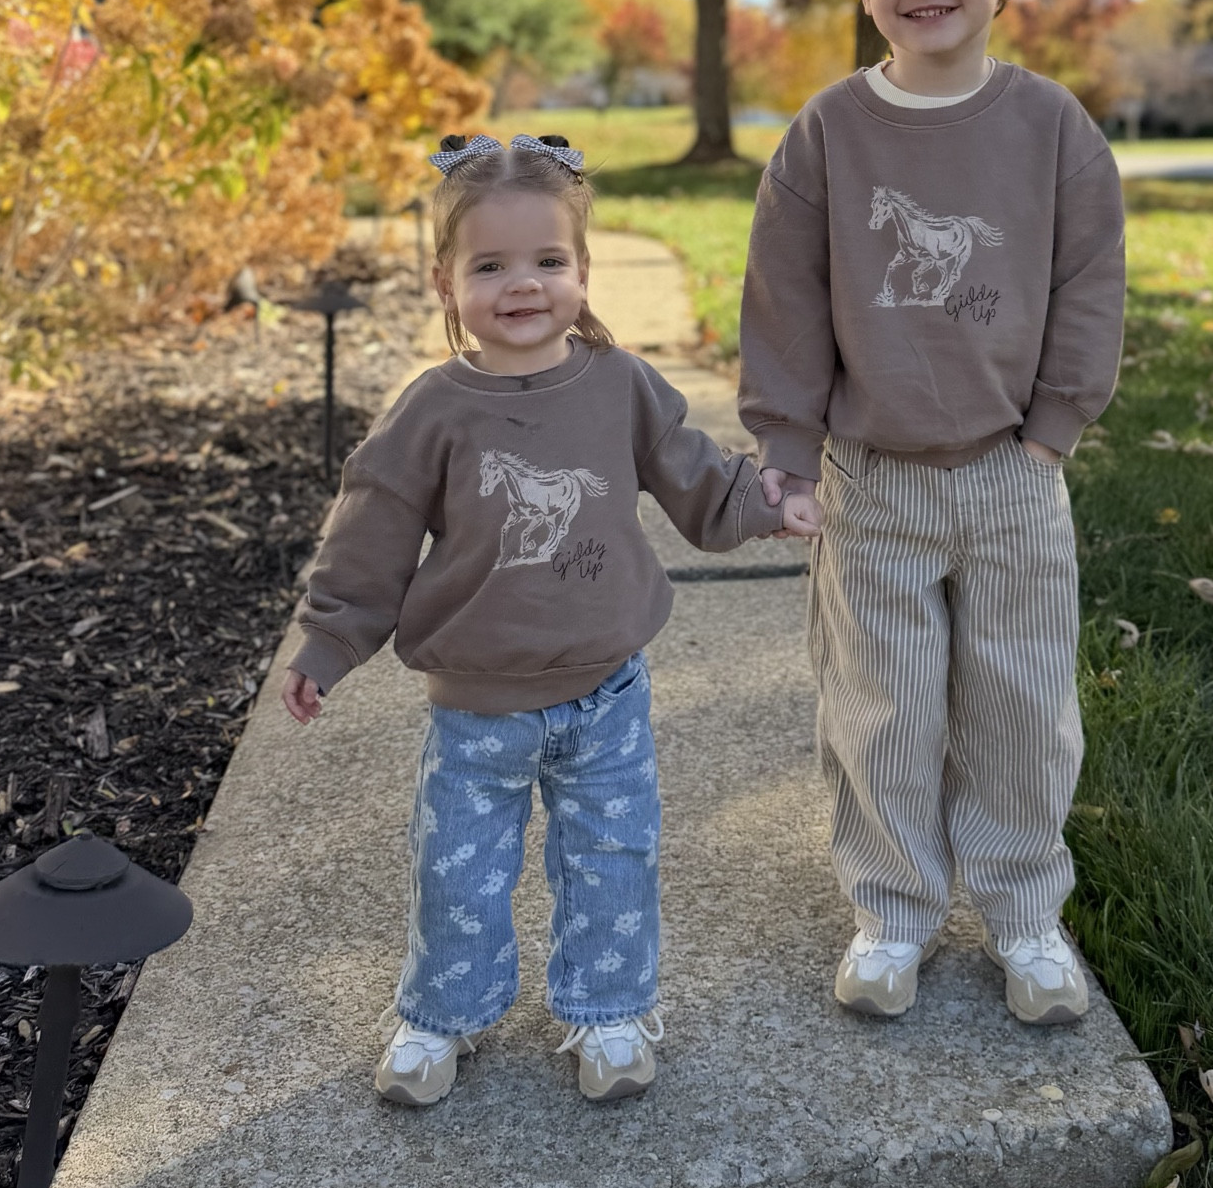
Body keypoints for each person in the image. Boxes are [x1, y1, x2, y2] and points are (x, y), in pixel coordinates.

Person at [283, 132, 818, 1108]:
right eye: (490, 264)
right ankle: (442, 1016)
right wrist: (328, 637)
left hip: (607, 689)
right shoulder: (433, 409)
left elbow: (696, 474)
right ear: (446, 280)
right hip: (477, 709)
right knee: (460, 873)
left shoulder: (622, 384)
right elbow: (373, 534)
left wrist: (765, 503)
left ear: (581, 268)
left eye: (546, 261)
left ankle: (608, 1012)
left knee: (613, 855)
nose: (521, 284)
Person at [739, 0, 1125, 1025]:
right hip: (873, 481)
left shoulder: (1054, 128)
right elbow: (786, 308)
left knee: (1019, 700)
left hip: (1015, 473)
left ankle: (1022, 910)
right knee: (883, 703)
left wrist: (1053, 429)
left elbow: (1088, 286)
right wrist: (788, 452)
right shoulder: (826, 138)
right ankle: (894, 910)